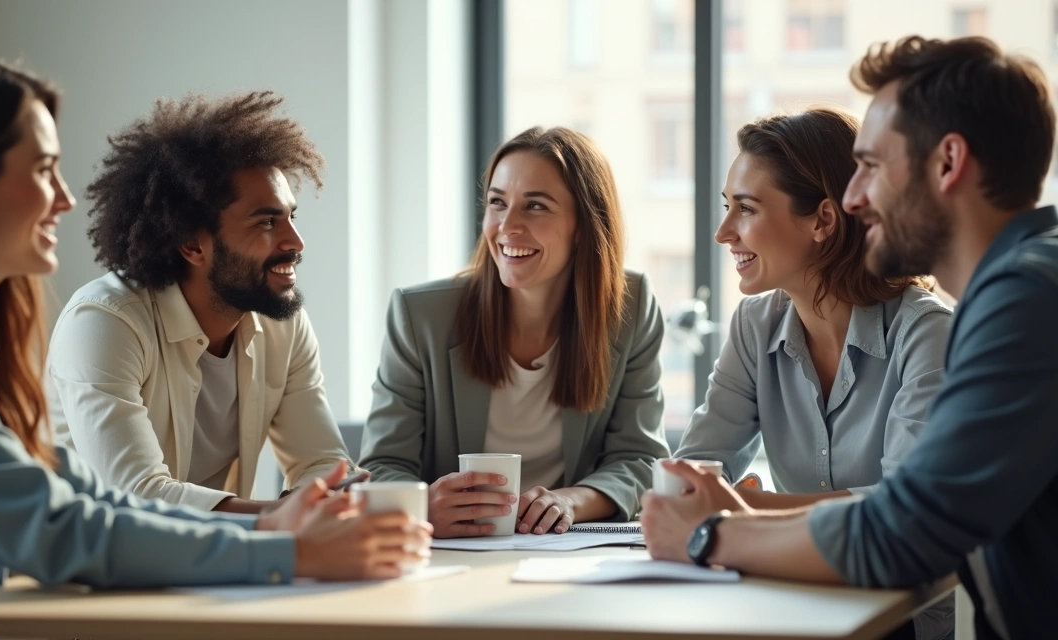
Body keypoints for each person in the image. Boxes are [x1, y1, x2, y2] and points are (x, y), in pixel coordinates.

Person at [0, 50, 429, 640]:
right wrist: (287, 550)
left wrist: (282, 533)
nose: (65, 199)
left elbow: (88, 497)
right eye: (45, 170)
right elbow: (56, 527)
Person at [640, 36, 1057, 640]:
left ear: (947, 162)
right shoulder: (1020, 291)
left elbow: (903, 530)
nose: (855, 198)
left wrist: (711, 531)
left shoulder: (1023, 303)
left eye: (872, 166)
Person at [674, 107, 954, 639]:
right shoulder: (756, 324)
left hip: (902, 620)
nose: (723, 232)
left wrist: (749, 508)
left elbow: (902, 507)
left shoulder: (928, 334)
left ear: (823, 220)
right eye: (726, 208)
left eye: (747, 209)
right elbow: (694, 471)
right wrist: (704, 501)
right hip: (794, 606)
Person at [46, 91, 360, 513]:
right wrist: (285, 515)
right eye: (267, 221)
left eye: (291, 216)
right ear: (192, 244)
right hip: (102, 572)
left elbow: (322, 464)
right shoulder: (104, 321)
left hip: (225, 567)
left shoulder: (282, 321)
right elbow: (137, 495)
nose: (296, 242)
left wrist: (361, 501)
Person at [360, 126, 669, 538]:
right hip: (452, 552)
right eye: (497, 203)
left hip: (568, 552)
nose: (507, 226)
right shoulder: (421, 315)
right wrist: (423, 505)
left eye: (535, 206)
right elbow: (381, 465)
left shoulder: (630, 308)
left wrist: (570, 501)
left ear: (583, 226)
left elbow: (640, 458)